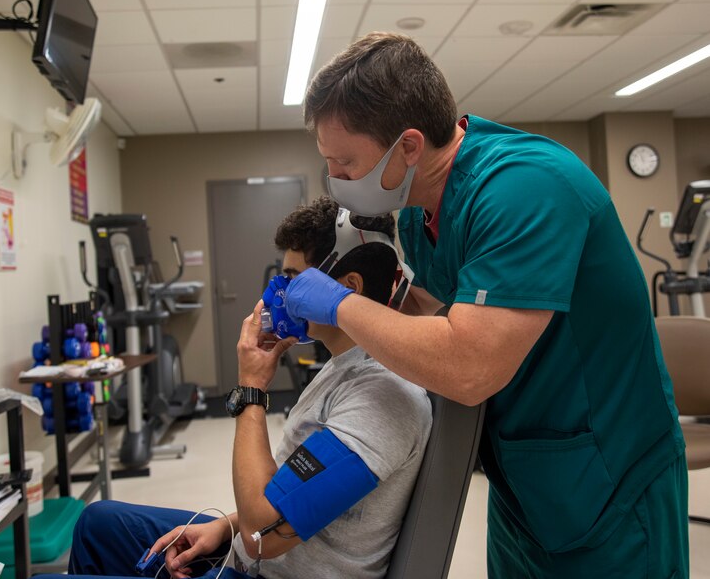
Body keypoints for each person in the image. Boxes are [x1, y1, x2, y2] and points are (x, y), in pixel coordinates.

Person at [283, 32, 689, 577]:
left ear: (407, 147)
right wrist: (383, 299)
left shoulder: (525, 187)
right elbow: (448, 315)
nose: (337, 183)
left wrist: (340, 305)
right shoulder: (416, 210)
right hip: (526, 475)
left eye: (345, 164)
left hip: (607, 474)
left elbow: (468, 365)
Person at [54, 196, 432, 579]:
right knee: (96, 523)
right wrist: (225, 526)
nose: (279, 292)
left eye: (293, 280)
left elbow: (263, 536)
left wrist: (251, 388)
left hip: (266, 569)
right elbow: (295, 497)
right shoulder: (343, 366)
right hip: (250, 555)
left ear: (348, 286)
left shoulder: (382, 397)